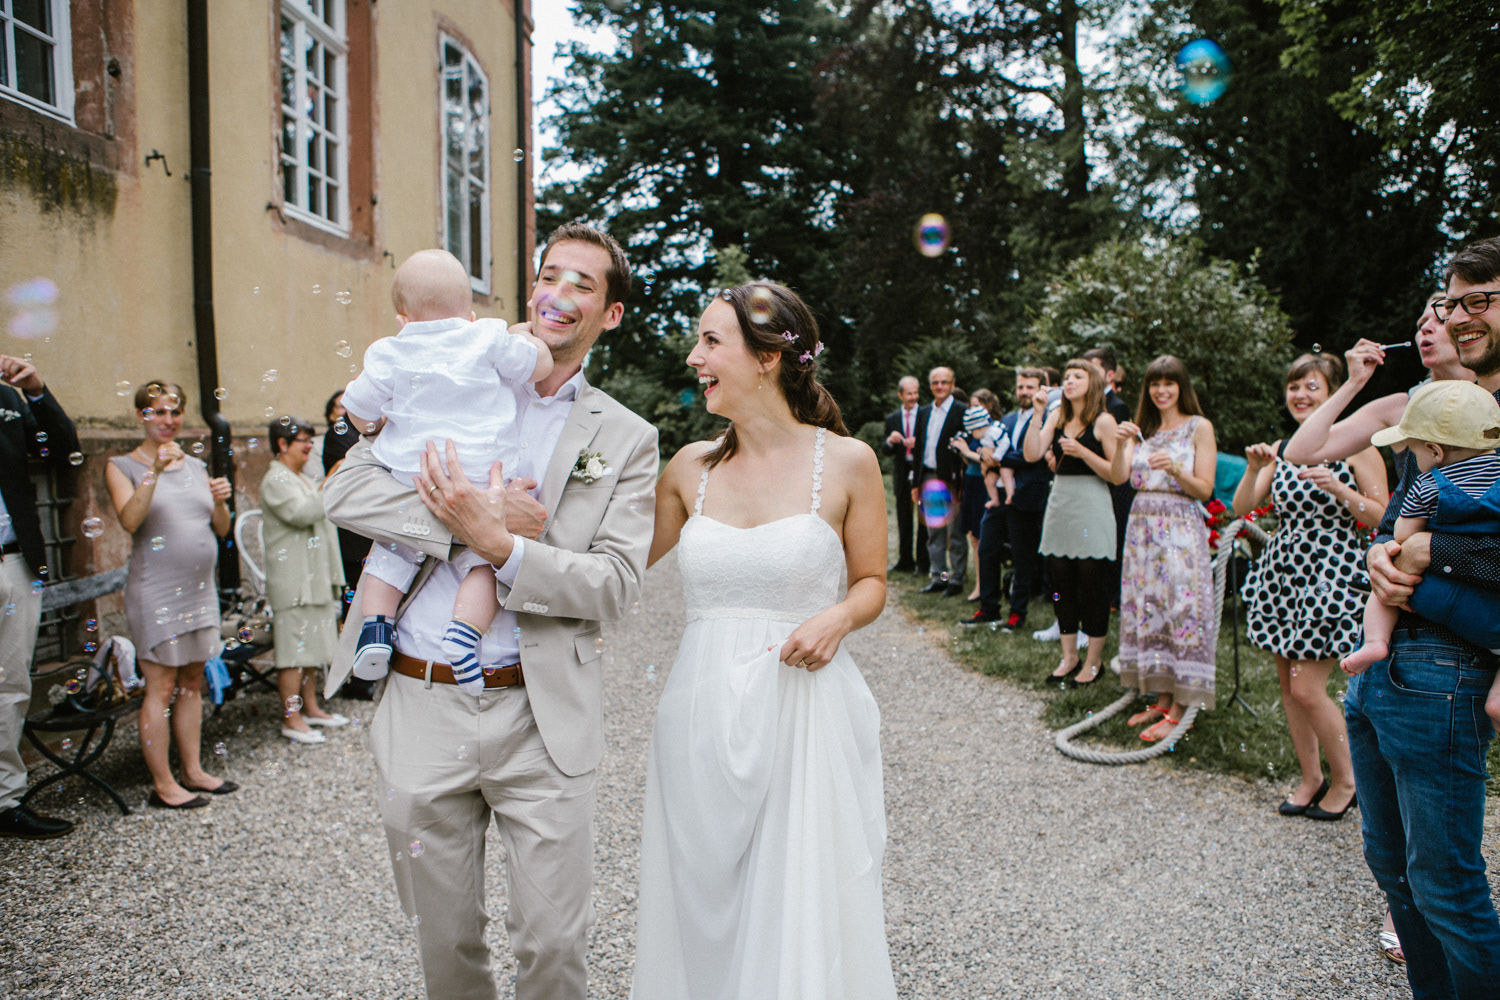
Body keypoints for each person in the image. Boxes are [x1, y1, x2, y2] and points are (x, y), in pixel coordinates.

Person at [323, 222, 658, 999]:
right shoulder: (445, 370)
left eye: (583, 284)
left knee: (554, 947)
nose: (559, 294)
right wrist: (465, 521)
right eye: (549, 275)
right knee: (445, 946)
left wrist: (503, 549)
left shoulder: (626, 437)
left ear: (610, 314)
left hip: (542, 715)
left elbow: (614, 584)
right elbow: (343, 490)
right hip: (422, 698)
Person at [638, 280, 896, 998]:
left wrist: (838, 618)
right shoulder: (688, 468)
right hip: (698, 713)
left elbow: (872, 581)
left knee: (796, 899)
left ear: (767, 358)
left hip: (802, 711)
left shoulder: (848, 462)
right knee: (702, 899)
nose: (694, 357)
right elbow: (613, 568)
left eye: (710, 341)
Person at [1356, 237, 1500, 997]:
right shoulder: (1446, 409)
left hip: (1450, 672)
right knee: (1394, 870)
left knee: (1446, 885)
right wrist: (1384, 556)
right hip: (1387, 669)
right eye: (1452, 301)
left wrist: (1430, 554)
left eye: (1481, 299)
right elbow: (1397, 523)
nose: (1459, 316)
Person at [339, 249, 554, 693]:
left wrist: (375, 423)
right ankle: (464, 634)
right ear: (470, 314)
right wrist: (525, 338)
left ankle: (376, 628)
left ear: (402, 319)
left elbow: (357, 410)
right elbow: (539, 366)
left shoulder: (389, 350)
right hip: (483, 476)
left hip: (416, 475)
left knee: (390, 552)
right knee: (486, 561)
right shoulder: (487, 336)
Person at [1232, 353, 1387, 821]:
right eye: (1294, 387)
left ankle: (1348, 779)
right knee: (1288, 687)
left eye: (1311, 387)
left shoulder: (1356, 446)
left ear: (1332, 393)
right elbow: (1242, 507)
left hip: (1330, 574)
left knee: (1306, 688)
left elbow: (1383, 516)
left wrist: (1341, 490)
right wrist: (1252, 468)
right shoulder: (1284, 449)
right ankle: (1310, 778)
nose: (1300, 395)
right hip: (1283, 573)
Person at [105, 382, 236, 809]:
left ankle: (193, 770)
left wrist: (221, 503)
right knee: (160, 688)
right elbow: (130, 520)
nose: (168, 420)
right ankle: (163, 785)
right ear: (142, 415)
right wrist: (155, 470)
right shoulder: (121, 466)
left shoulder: (196, 465)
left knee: (192, 682)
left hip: (199, 591)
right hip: (156, 591)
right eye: (158, 412)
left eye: (175, 412)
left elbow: (220, 529)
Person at [1342, 381, 1500, 682]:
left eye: (1413, 452)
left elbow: (1402, 535)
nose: (1413, 460)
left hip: (1434, 598)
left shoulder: (1427, 485)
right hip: (1492, 608)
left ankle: (1375, 641)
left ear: (1435, 451)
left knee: (1390, 579)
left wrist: (1408, 547)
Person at [1109, 356, 1219, 741]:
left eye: (1169, 383)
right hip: (1142, 530)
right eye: (1154, 383)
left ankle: (1182, 705)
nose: (1161, 391)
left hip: (1179, 530)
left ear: (1181, 386)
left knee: (1180, 609)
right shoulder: (1144, 430)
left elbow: (1205, 488)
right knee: (1150, 609)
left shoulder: (1199, 427)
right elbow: (1120, 477)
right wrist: (1120, 444)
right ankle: (1161, 696)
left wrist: (1174, 469)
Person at [0, 354, 80, 839]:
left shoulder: (6, 400)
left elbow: (63, 450)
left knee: (11, 687)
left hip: (15, 561)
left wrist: (35, 391)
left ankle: (4, 800)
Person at [1024, 360, 1120, 684]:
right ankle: (1069, 657)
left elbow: (1117, 474)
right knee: (1060, 583)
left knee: (1093, 585)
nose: (1069, 381)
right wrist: (1038, 413)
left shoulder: (1104, 421)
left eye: (1077, 376)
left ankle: (1093, 661)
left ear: (1092, 383)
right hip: (1061, 503)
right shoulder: (1056, 416)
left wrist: (1082, 452)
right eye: (1066, 376)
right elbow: (1031, 454)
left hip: (1092, 503)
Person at [259, 417, 348, 744]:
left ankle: (310, 708)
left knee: (312, 650)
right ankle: (291, 719)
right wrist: (330, 480)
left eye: (311, 440)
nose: (310, 446)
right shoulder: (275, 480)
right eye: (303, 440)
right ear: (282, 444)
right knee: (294, 654)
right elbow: (304, 513)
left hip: (314, 578)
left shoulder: (301, 478)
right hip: (294, 581)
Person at [1084, 347, 1134, 608]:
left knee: (1114, 540)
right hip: (1092, 484)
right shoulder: (1085, 406)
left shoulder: (1117, 406)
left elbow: (1119, 453)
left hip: (1114, 486)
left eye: (1093, 368)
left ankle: (1113, 596)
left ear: (1110, 375)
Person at [912, 366, 967, 596]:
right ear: (930, 385)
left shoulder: (962, 411)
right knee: (934, 531)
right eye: (935, 382)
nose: (940, 386)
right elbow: (918, 449)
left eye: (944, 382)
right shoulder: (924, 412)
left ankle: (957, 578)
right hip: (928, 476)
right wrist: (916, 483)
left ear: (952, 384)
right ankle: (939, 576)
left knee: (955, 532)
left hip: (951, 480)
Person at [952, 389, 1002, 601]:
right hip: (971, 482)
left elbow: (989, 459)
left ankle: (986, 585)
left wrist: (966, 451)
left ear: (988, 406)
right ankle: (980, 584)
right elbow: (970, 460)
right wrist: (961, 450)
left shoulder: (993, 430)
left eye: (976, 405)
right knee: (974, 536)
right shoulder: (973, 429)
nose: (972, 409)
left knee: (983, 537)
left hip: (985, 485)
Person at [882, 375, 924, 574]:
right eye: (909, 393)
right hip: (902, 472)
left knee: (923, 519)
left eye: (916, 393)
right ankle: (905, 561)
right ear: (900, 395)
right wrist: (890, 440)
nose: (913, 397)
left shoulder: (925, 415)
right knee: (903, 518)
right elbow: (885, 450)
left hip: (921, 471)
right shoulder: (892, 419)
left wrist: (918, 443)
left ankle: (923, 563)